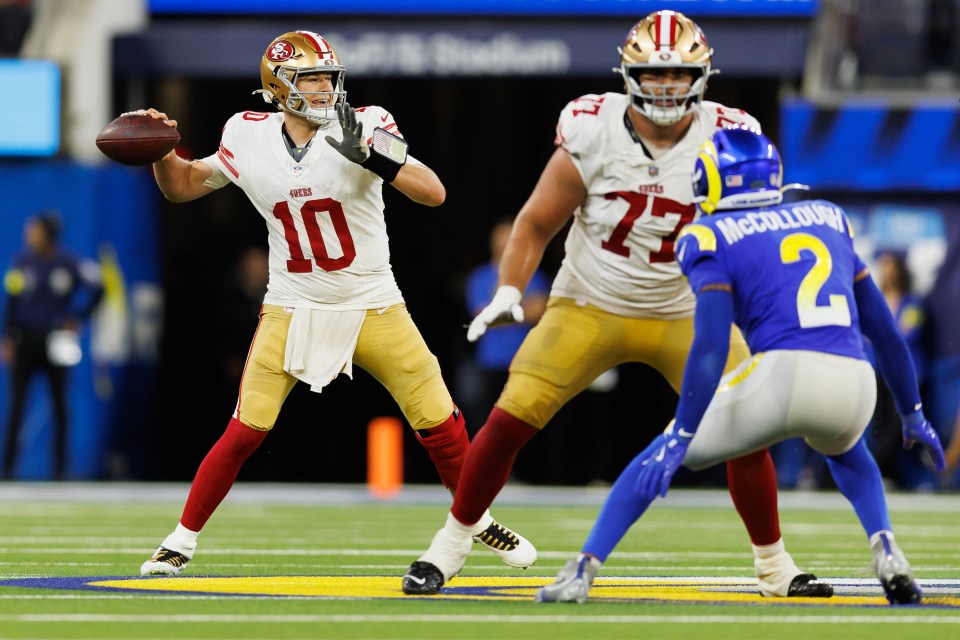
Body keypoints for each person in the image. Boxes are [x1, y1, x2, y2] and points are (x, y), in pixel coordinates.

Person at [403, 11, 830, 599]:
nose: (664, 86)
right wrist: (510, 288)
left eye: (677, 74)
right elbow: (534, 223)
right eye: (653, 72)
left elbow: (751, 235)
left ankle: (775, 568)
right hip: (591, 301)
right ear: (629, 74)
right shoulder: (592, 126)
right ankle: (448, 546)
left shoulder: (729, 136)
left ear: (701, 76)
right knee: (508, 418)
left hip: (688, 309)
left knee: (746, 429)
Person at [136, 30, 534, 575]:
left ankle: (476, 521)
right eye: (312, 78)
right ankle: (179, 540)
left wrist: (378, 158)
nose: (325, 88)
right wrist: (162, 150)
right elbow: (181, 185)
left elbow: (433, 191)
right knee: (245, 428)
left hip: (373, 301)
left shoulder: (366, 124)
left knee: (440, 422)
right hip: (293, 304)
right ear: (278, 86)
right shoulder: (246, 134)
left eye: (329, 76)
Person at [535, 126, 946, 606]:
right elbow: (885, 331)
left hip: (784, 374)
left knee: (658, 452)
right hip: (854, 380)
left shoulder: (708, 234)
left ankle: (582, 568)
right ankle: (887, 547)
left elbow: (711, 347)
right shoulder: (826, 216)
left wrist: (683, 435)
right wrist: (914, 412)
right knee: (849, 449)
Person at [1, 210, 104, 479]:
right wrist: (8, 337)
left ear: (47, 234)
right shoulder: (22, 262)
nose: (29, 235)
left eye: (34, 230)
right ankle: (8, 470)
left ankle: (60, 471)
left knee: (60, 404)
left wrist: (78, 318)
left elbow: (99, 286)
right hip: (25, 339)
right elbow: (12, 300)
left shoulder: (68, 262)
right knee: (17, 404)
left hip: (57, 338)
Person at [463, 217, 548, 438]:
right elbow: (481, 315)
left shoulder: (532, 274)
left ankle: (518, 472)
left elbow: (539, 310)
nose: (506, 242)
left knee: (522, 423)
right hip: (490, 362)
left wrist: (500, 310)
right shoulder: (480, 277)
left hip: (524, 362)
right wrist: (521, 310)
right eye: (502, 236)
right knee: (487, 422)